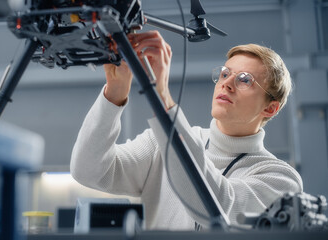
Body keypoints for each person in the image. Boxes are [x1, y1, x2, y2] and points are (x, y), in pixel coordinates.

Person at [70, 30, 303, 231]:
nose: (227, 83)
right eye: (224, 73)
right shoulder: (159, 144)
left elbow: (216, 208)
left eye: (245, 79)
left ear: (270, 108)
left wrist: (162, 97)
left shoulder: (280, 179)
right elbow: (88, 171)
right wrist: (115, 92)